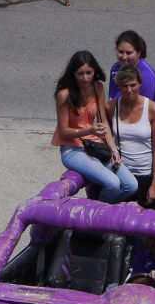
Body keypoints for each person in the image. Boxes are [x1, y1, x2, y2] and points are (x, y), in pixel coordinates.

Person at [53, 51, 139, 203]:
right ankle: (95, 215)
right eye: (80, 74)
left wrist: (113, 149)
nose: (85, 78)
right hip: (73, 149)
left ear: (94, 71)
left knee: (131, 185)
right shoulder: (64, 95)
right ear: (73, 74)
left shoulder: (97, 87)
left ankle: (98, 209)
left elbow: (103, 121)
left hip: (95, 145)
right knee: (113, 184)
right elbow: (63, 132)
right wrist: (89, 129)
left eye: (89, 72)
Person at [109, 64, 155, 205]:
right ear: (119, 87)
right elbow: (104, 135)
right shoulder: (111, 107)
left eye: (133, 85)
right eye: (124, 86)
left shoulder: (153, 109)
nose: (129, 90)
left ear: (140, 83)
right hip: (121, 174)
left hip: (145, 175)